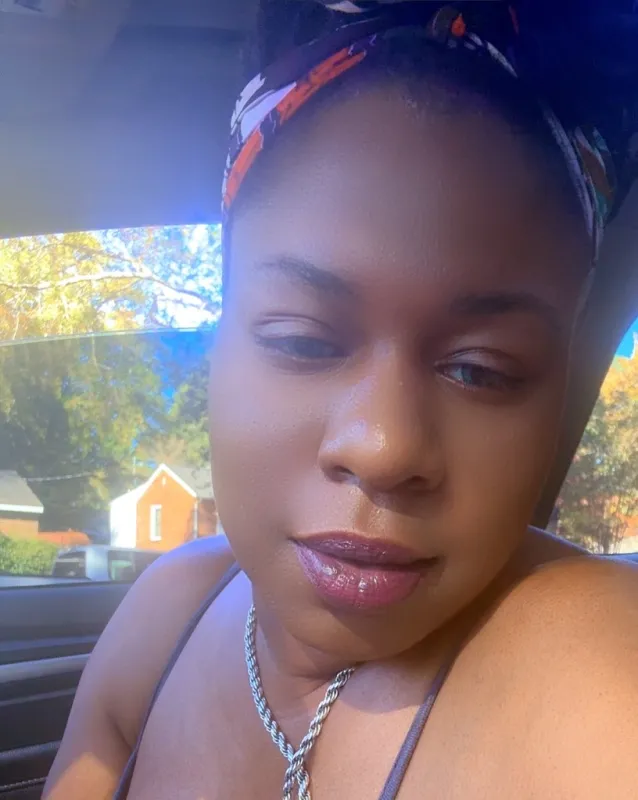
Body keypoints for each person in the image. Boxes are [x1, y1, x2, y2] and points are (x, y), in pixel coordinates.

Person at [45, 2, 638, 798]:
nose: (383, 448)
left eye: (481, 370)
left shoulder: (599, 677)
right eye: (303, 340)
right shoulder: (165, 613)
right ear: (219, 341)